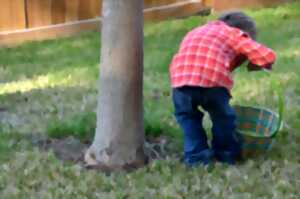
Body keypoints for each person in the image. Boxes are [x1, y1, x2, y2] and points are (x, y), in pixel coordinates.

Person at [169, 11, 276, 166]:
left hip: (181, 80)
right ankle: (225, 154)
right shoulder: (233, 33)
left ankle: (196, 158)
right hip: (212, 80)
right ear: (243, 31)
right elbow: (266, 55)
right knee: (223, 118)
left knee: (188, 118)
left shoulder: (197, 31)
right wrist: (257, 63)